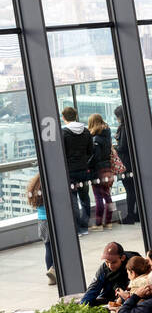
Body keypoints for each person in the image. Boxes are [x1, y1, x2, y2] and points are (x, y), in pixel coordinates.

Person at [60, 106, 95, 234]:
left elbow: (61, 152)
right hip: (83, 169)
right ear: (75, 116)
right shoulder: (86, 131)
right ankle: (85, 225)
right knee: (85, 197)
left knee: (73, 199)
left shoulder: (63, 133)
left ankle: (78, 228)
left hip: (70, 171)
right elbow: (90, 151)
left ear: (64, 118)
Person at [85, 113, 115, 230]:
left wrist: (87, 165)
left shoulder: (96, 139)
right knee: (108, 196)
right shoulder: (107, 135)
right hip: (107, 168)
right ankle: (108, 221)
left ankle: (98, 223)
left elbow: (95, 156)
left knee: (98, 197)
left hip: (97, 170)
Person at [112, 106, 137, 225]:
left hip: (127, 164)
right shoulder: (133, 124)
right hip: (134, 163)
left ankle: (130, 215)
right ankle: (137, 214)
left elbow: (123, 147)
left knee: (130, 190)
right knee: (135, 190)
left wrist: (113, 148)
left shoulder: (124, 128)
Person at [27, 175, 54, 285]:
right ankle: (53, 269)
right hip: (51, 221)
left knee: (48, 248)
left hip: (41, 221)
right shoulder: (49, 187)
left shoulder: (36, 189)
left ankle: (50, 275)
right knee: (58, 248)